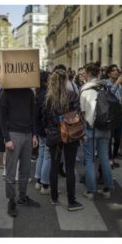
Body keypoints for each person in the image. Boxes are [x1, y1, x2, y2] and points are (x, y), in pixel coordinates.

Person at [43, 68, 83, 211]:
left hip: (54, 135)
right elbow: (77, 113)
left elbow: (45, 118)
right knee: (70, 168)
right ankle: (71, 202)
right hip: (70, 134)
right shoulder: (72, 95)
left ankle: (54, 197)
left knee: (54, 166)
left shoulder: (49, 98)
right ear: (65, 80)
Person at [0, 82, 40, 218]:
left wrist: (34, 134)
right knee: (11, 171)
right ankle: (11, 201)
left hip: (28, 134)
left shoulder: (29, 92)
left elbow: (33, 114)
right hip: (13, 135)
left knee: (26, 169)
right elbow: (2, 117)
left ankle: (22, 196)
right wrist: (7, 139)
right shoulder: (6, 93)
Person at [80, 62, 114, 200]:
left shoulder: (85, 90)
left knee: (89, 160)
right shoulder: (105, 87)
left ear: (88, 74)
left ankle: (91, 191)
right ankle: (107, 188)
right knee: (104, 158)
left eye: (84, 73)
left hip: (90, 128)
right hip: (106, 127)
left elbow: (82, 112)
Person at [34, 71, 51, 195]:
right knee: (47, 155)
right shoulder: (47, 94)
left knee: (41, 153)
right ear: (45, 81)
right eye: (49, 79)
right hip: (46, 128)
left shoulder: (36, 93)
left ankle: (38, 180)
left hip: (39, 128)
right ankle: (45, 184)